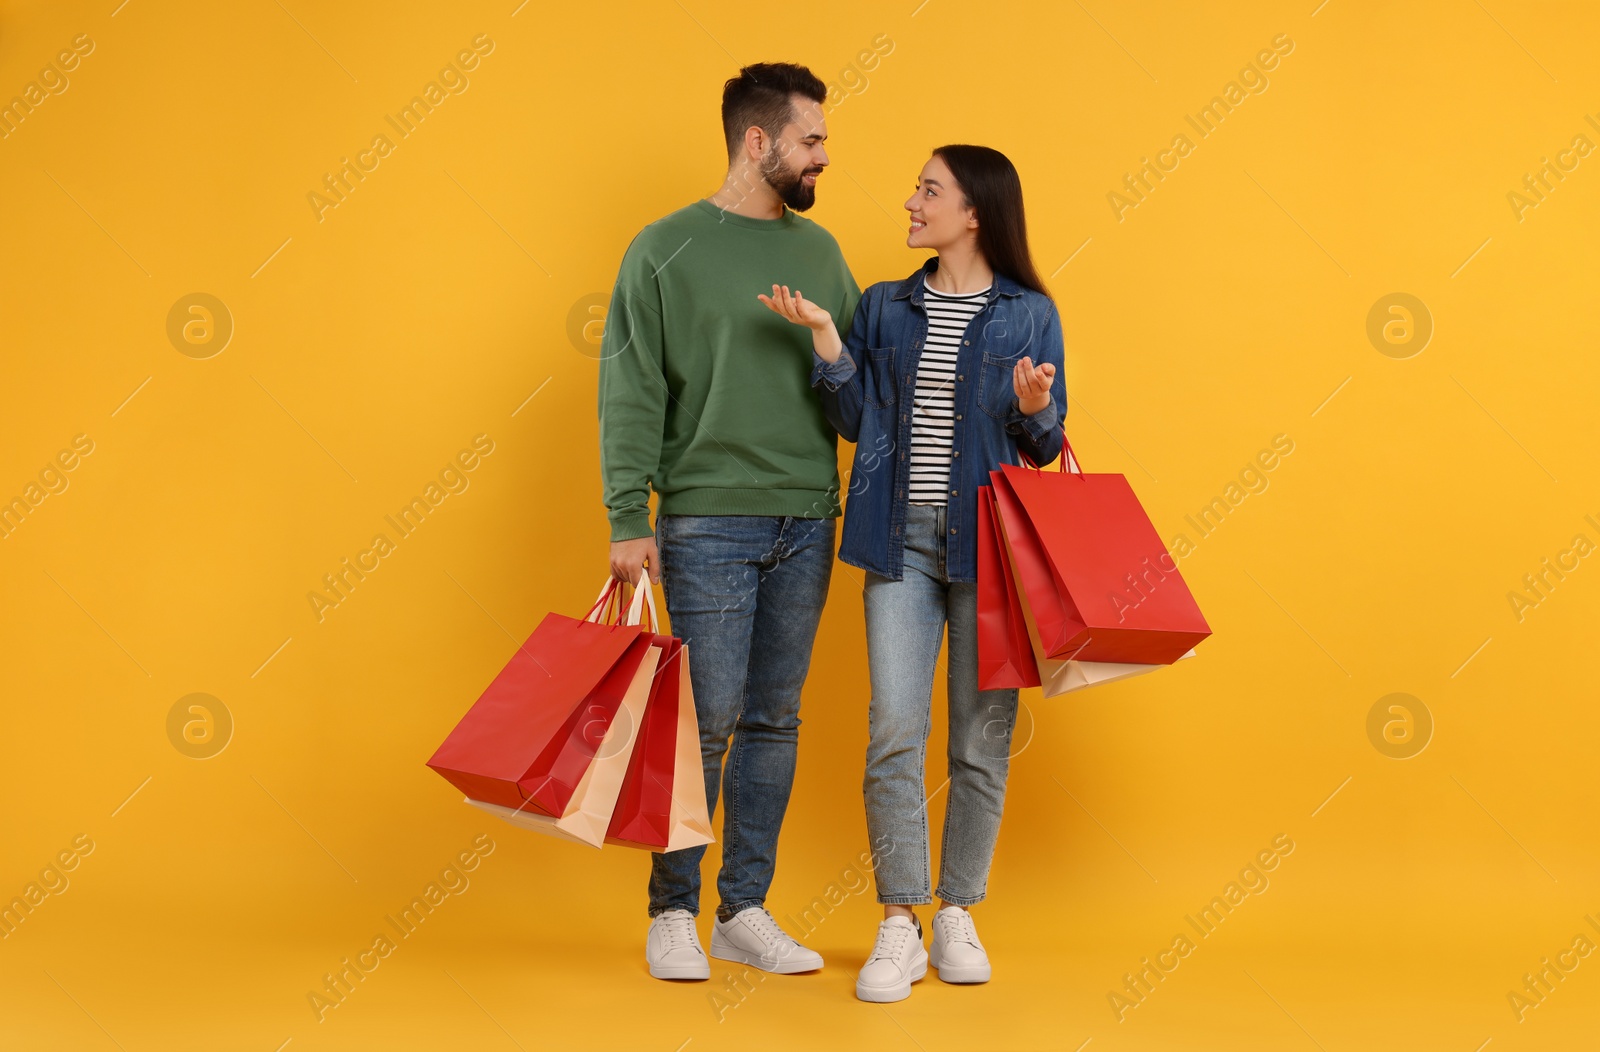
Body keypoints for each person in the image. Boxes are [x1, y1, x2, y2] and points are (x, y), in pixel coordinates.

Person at [758, 144, 1065, 1002]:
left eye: (928, 191)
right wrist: (827, 338)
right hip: (898, 546)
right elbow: (854, 418)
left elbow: (1044, 447)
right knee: (894, 730)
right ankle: (901, 921)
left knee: (978, 740)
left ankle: (958, 910)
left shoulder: (1029, 314)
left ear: (974, 213)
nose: (910, 202)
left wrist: (1036, 411)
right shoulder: (887, 307)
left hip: (989, 553)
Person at [597, 62, 861, 982]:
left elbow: (861, 400)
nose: (825, 155)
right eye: (812, 139)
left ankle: (743, 909)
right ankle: (671, 910)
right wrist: (629, 517)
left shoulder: (822, 252)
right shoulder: (662, 249)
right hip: (705, 521)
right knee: (701, 725)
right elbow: (628, 389)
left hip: (805, 519)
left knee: (775, 722)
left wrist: (834, 342)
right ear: (760, 142)